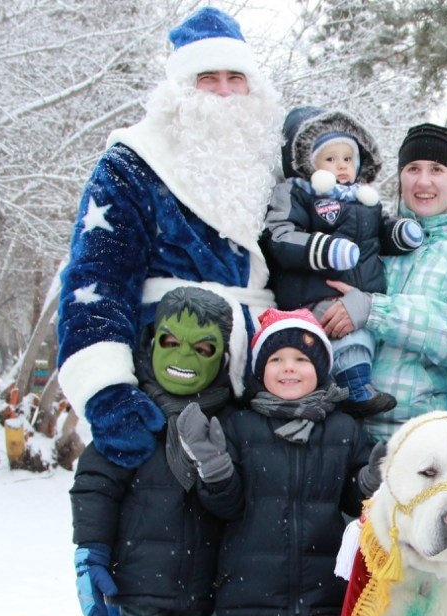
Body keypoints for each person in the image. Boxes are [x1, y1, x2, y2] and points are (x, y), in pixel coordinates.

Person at [57, 6, 282, 469]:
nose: (224, 92)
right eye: (208, 78)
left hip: (260, 376)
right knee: (159, 525)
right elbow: (97, 280)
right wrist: (108, 391)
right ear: (181, 88)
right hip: (161, 367)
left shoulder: (272, 162)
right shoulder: (132, 163)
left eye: (235, 78)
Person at [182, 308, 377, 616]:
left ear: (322, 370)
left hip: (314, 585)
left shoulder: (343, 431)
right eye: (277, 359)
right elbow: (223, 505)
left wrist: (376, 475)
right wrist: (214, 467)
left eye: (301, 359)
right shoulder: (239, 427)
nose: (289, 368)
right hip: (248, 586)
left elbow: (356, 499)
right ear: (258, 370)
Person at [70, 287, 237, 616]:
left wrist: (216, 469)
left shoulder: (225, 423)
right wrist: (91, 551)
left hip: (195, 579)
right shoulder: (128, 415)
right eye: (172, 341)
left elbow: (230, 504)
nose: (185, 357)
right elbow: (96, 485)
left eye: (203, 348)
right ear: (152, 342)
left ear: (222, 356)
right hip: (138, 577)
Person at [318, 123, 447, 442]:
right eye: (413, 168)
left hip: (416, 435)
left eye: (437, 169)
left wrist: (375, 310)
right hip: (339, 433)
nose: (423, 181)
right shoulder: (372, 236)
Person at [261, 107, 426, 416]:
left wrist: (400, 233)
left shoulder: (364, 201)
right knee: (343, 337)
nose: (341, 167)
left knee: (359, 334)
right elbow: (280, 237)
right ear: (309, 163)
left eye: (347, 159)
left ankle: (354, 385)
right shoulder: (298, 193)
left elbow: (379, 233)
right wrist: (324, 250)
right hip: (314, 292)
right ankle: (354, 386)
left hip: (357, 297)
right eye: (330, 159)